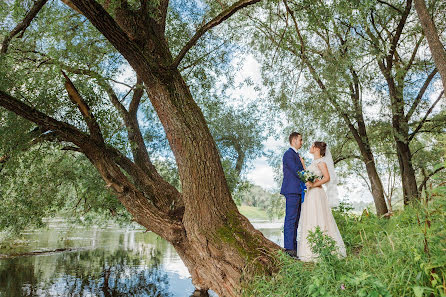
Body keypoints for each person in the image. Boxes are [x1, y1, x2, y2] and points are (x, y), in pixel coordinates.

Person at [297, 141, 346, 262]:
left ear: (317, 149)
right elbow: (308, 175)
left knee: (319, 217)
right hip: (310, 194)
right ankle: (310, 251)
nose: (310, 147)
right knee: (310, 218)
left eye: (312, 145)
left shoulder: (321, 162)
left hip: (317, 193)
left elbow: (327, 177)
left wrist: (314, 185)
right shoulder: (313, 162)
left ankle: (324, 248)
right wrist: (303, 165)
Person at [280, 132, 306, 259]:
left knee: (295, 220)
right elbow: (297, 171)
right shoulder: (288, 154)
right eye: (300, 140)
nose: (302, 142)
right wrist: (309, 179)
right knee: (290, 219)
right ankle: (289, 249)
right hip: (292, 190)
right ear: (294, 140)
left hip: (298, 191)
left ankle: (294, 248)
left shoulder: (297, 155)